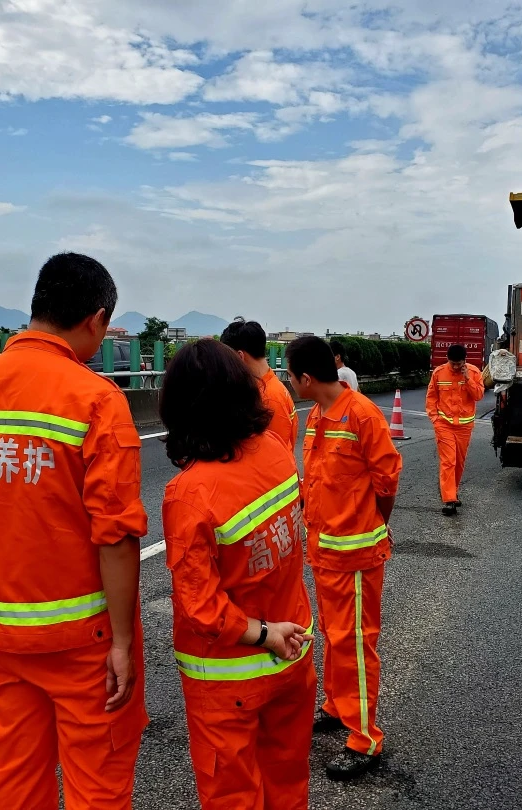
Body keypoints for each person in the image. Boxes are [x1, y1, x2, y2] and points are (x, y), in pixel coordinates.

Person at [0, 253, 148, 810]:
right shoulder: (96, 401)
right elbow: (115, 536)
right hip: (81, 636)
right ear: (96, 319)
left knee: (17, 775)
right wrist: (121, 642)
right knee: (98, 783)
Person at [160, 339, 316, 810]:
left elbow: (200, 609)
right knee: (287, 782)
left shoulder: (189, 493)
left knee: (233, 795)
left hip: (229, 678)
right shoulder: (272, 449)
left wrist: (261, 633)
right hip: (294, 652)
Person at [285, 336, 403, 781]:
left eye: (291, 374)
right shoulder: (317, 415)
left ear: (307, 378)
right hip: (326, 552)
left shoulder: (362, 415)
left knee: (354, 643)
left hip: (354, 555)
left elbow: (387, 480)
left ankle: (364, 738)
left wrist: (373, 522)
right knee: (335, 637)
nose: (288, 381)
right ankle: (337, 706)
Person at [220, 318, 299, 449]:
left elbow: (274, 453)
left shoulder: (269, 397)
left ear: (239, 356)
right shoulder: (267, 386)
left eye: (227, 359)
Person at [426, 344, 485, 516]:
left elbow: (479, 395)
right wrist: (435, 419)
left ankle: (453, 491)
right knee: (448, 461)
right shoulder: (439, 373)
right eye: (453, 364)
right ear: (448, 360)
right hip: (444, 425)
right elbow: (431, 397)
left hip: (465, 427)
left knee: (458, 463)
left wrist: (467, 379)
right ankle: (449, 499)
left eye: (459, 364)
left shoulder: (473, 372)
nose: (456, 367)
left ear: (464, 361)